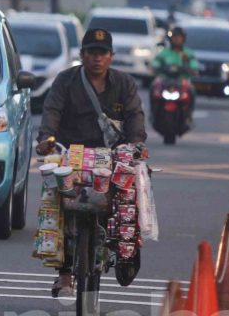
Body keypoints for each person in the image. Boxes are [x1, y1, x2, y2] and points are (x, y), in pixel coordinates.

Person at [35, 28, 148, 297]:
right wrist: (46, 139)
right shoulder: (65, 80)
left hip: (111, 158)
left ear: (111, 56)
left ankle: (127, 252)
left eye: (103, 53)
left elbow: (135, 117)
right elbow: (51, 112)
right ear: (82, 55)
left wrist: (136, 146)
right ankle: (64, 274)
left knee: (130, 196)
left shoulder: (124, 84)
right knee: (56, 202)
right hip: (70, 156)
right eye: (92, 53)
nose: (97, 58)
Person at [151, 27, 199, 126]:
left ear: (183, 38)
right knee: (153, 87)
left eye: (179, 37)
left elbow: (193, 63)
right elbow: (156, 61)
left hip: (182, 79)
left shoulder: (187, 53)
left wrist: (193, 69)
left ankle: (188, 115)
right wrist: (154, 66)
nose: (176, 39)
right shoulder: (165, 52)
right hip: (165, 78)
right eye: (174, 37)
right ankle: (153, 114)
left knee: (191, 91)